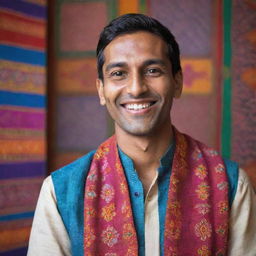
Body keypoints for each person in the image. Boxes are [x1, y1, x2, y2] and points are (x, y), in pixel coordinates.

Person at [27, 14, 256, 256]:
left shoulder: (230, 185)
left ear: (177, 82)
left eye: (153, 70)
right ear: (101, 90)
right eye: (118, 74)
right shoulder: (60, 192)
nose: (136, 88)